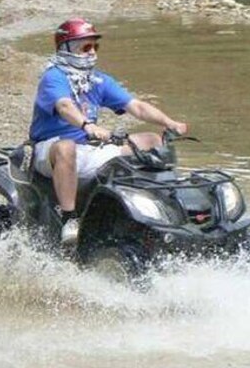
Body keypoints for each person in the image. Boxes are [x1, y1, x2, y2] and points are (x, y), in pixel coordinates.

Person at [29, 18, 188, 249]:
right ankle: (69, 219)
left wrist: (169, 122)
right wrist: (87, 126)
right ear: (67, 48)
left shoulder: (98, 80)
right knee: (67, 147)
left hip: (88, 148)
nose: (92, 52)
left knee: (152, 141)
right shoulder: (53, 77)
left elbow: (137, 107)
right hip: (49, 150)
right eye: (86, 47)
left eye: (95, 46)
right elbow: (64, 106)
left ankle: (162, 205)